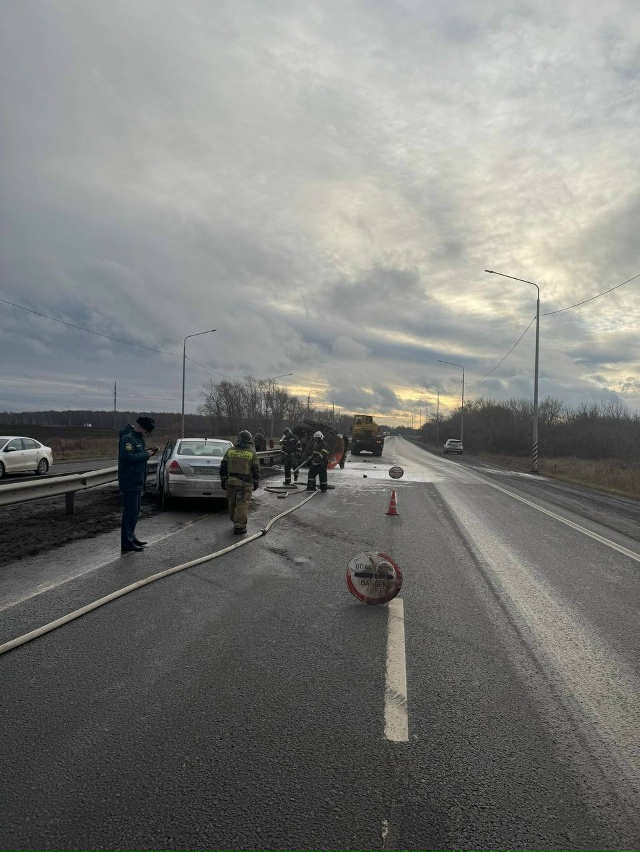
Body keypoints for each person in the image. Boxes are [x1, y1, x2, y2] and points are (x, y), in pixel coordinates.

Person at [118, 416, 159, 553]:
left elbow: (138, 454)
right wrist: (146, 455)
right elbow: (127, 457)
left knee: (135, 513)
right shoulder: (127, 439)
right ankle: (127, 543)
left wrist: (149, 452)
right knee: (129, 513)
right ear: (139, 427)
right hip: (129, 481)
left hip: (137, 480)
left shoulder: (138, 439)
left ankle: (132, 537)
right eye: (145, 431)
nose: (146, 434)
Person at [220, 430, 260, 534]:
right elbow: (256, 469)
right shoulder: (252, 453)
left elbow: (223, 466)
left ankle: (235, 520)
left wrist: (223, 480)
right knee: (242, 504)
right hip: (244, 484)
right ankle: (239, 526)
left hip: (231, 483)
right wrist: (256, 482)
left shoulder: (230, 451)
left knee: (232, 503)